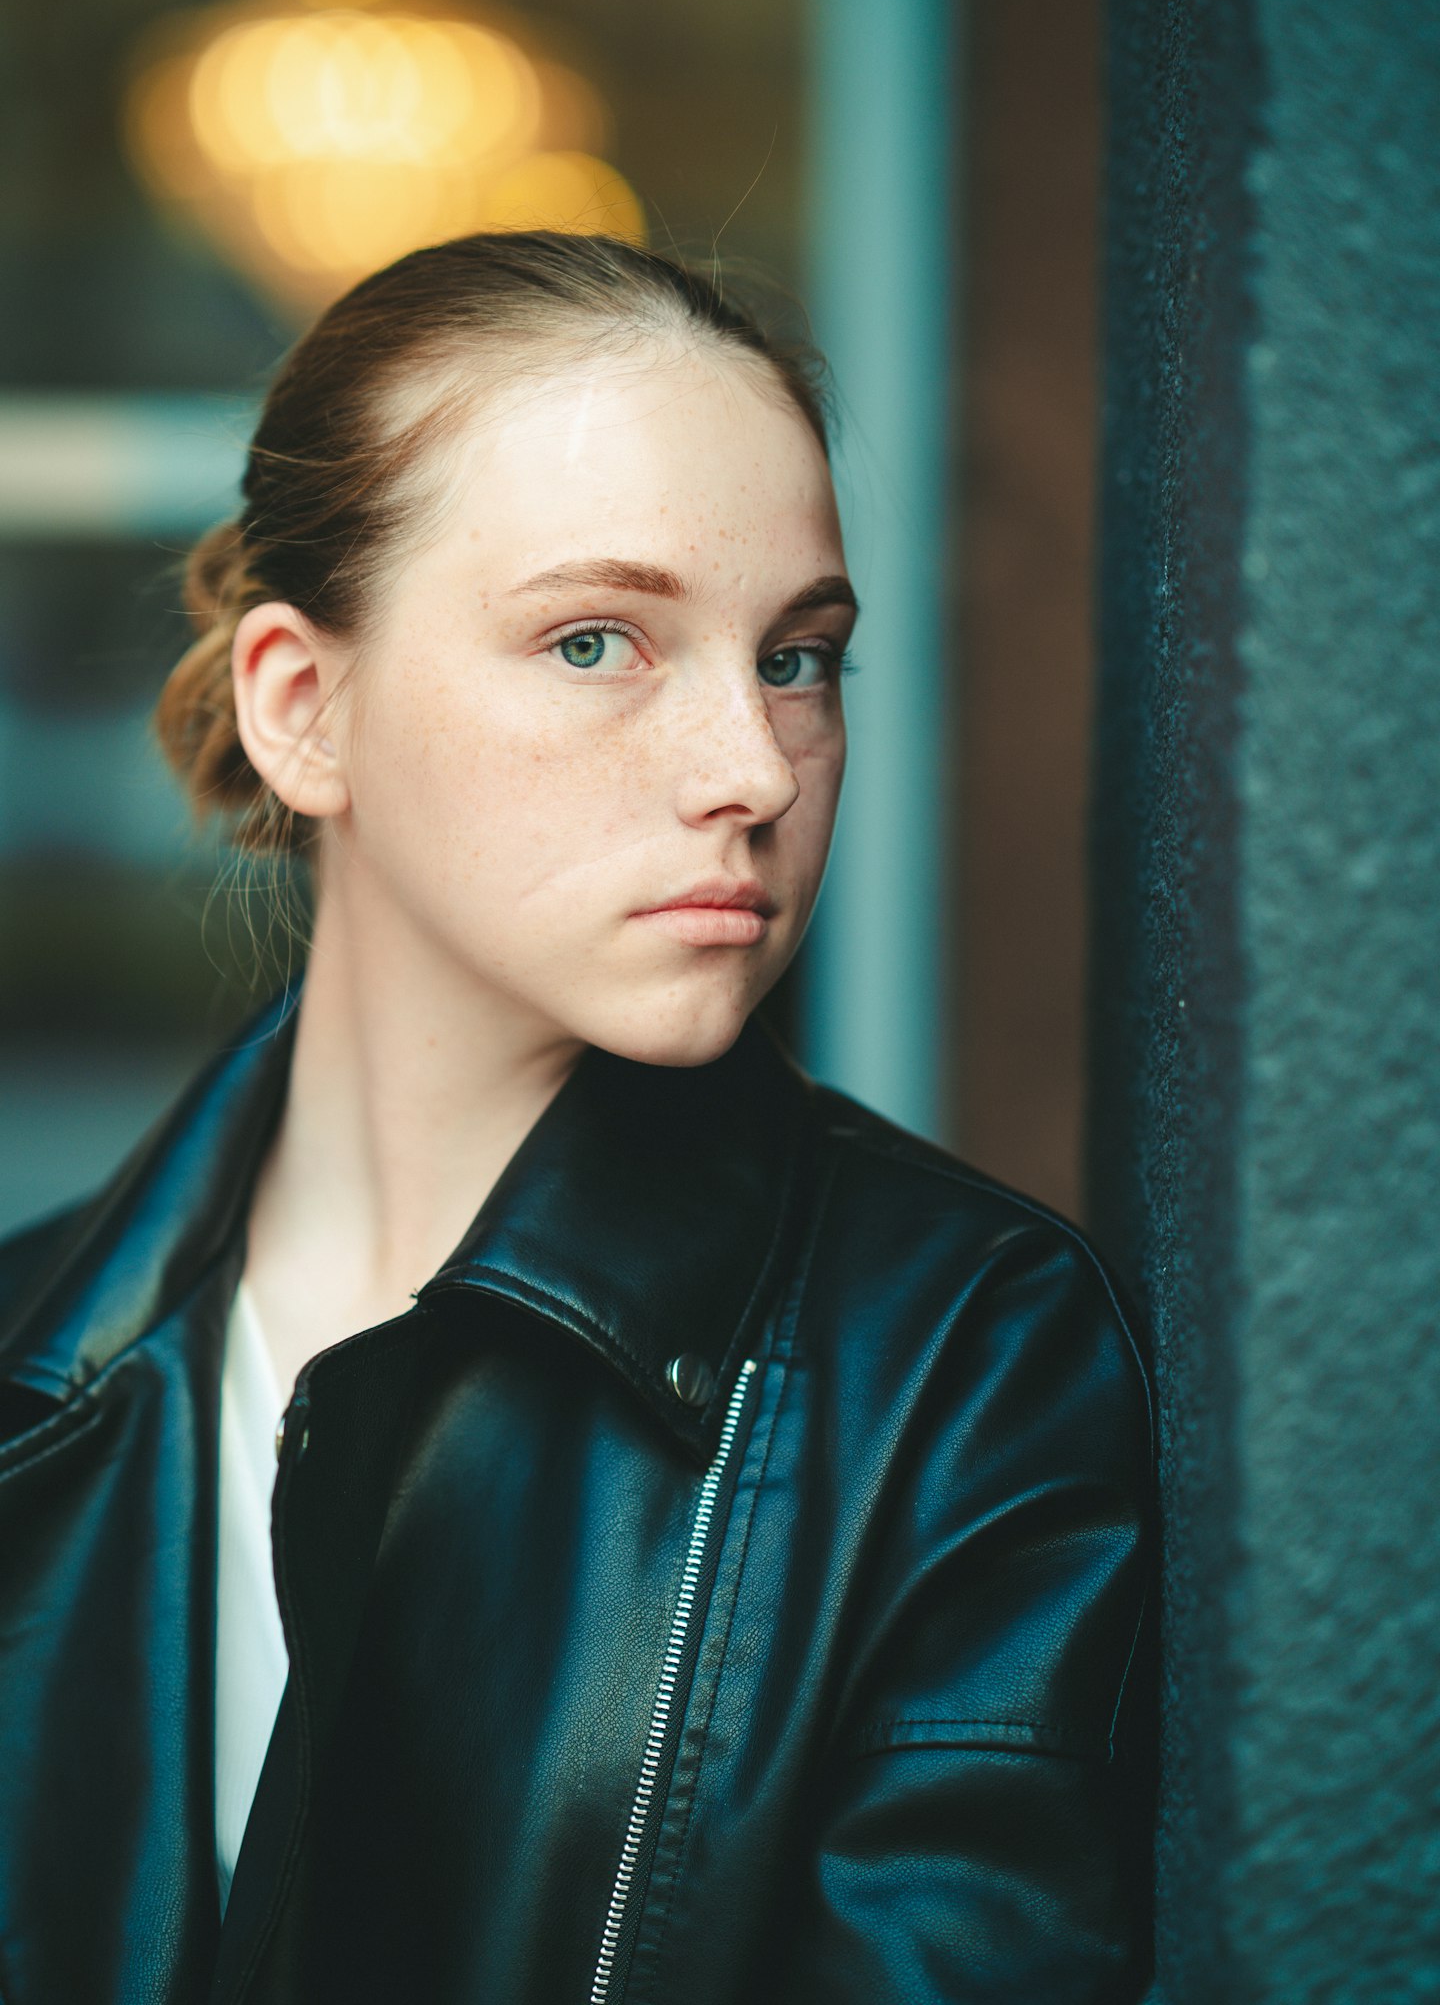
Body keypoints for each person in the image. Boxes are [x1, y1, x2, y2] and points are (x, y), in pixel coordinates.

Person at [0, 232, 1155, 2003]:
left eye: (800, 658)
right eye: (599, 639)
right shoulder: (31, 1364)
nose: (755, 769)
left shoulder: (965, 1364)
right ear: (305, 707)